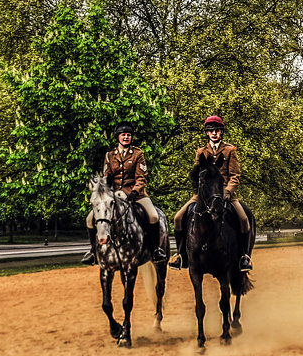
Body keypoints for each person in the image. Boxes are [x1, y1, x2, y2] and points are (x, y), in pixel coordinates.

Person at [170, 115, 253, 272]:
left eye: (217, 130)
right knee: (178, 217)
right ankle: (181, 255)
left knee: (243, 219)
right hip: (203, 195)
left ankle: (244, 257)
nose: (214, 133)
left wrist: (228, 191)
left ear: (221, 132)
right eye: (211, 131)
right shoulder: (201, 152)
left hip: (226, 194)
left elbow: (235, 175)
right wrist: (200, 192)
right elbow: (196, 174)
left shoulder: (230, 150)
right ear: (207, 133)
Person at [81, 123, 170, 265]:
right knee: (89, 219)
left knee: (153, 216)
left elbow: (142, 177)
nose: (126, 137)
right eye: (123, 135)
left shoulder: (138, 154)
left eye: (128, 135)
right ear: (118, 137)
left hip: (135, 194)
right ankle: (93, 252)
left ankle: (155, 250)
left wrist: (135, 191)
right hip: (114, 196)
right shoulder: (109, 156)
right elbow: (106, 177)